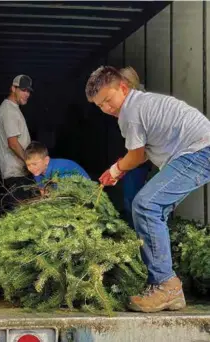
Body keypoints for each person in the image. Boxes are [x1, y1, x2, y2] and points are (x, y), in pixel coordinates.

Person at [85, 65, 210, 313]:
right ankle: (162, 285)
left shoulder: (130, 112)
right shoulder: (140, 105)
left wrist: (115, 170)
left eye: (108, 100)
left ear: (123, 87)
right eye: (100, 106)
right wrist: (118, 171)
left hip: (198, 151)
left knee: (146, 205)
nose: (107, 108)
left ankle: (167, 286)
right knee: (153, 209)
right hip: (196, 151)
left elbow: (136, 155)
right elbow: (141, 156)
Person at [118, 67, 151, 227]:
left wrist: (120, 167)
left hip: (140, 161)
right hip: (138, 158)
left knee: (133, 197)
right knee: (132, 196)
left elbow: (139, 147)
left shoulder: (136, 107)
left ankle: (136, 232)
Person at [0, 75, 34, 207]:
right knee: (19, 215)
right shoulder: (8, 110)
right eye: (23, 90)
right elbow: (12, 143)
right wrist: (30, 162)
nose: (27, 94)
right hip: (15, 174)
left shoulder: (13, 108)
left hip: (19, 172)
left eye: (28, 91)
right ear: (13, 88)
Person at [24, 141, 90, 187]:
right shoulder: (37, 171)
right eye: (28, 165)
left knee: (57, 183)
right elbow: (42, 189)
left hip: (82, 182)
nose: (31, 168)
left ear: (46, 160)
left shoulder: (56, 169)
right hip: (62, 184)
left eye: (34, 164)